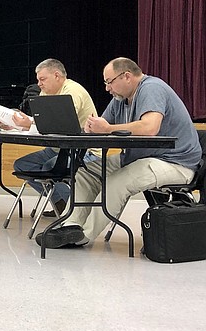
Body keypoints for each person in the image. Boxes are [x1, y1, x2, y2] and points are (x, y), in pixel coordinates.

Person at [38, 57, 201, 249]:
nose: (107, 88)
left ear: (127, 76)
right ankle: (71, 225)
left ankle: (83, 235)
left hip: (174, 162)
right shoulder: (120, 99)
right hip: (138, 159)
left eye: (109, 82)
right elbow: (103, 125)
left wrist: (107, 128)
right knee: (85, 173)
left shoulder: (152, 88)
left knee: (117, 182)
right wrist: (92, 127)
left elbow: (150, 128)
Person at [9, 59, 98, 216]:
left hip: (84, 151)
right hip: (58, 148)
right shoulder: (46, 92)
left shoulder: (72, 90)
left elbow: (61, 122)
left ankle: (77, 210)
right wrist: (22, 122)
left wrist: (29, 124)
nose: (39, 84)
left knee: (50, 167)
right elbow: (43, 121)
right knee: (22, 165)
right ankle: (60, 202)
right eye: (38, 80)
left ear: (57, 75)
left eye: (42, 79)